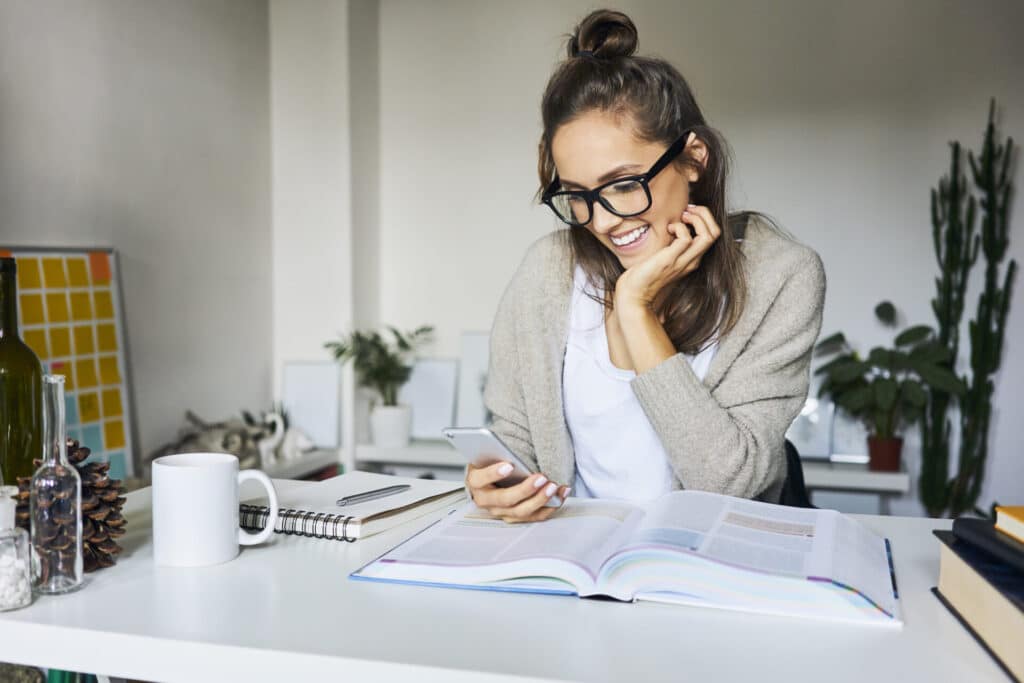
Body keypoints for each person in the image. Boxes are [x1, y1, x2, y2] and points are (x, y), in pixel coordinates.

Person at [465, 9, 825, 522]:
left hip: (706, 576)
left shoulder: (782, 277)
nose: (604, 221)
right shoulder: (547, 272)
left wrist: (636, 310)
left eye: (624, 184)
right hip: (573, 568)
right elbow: (513, 443)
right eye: (578, 196)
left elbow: (733, 483)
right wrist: (494, 484)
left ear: (693, 158)